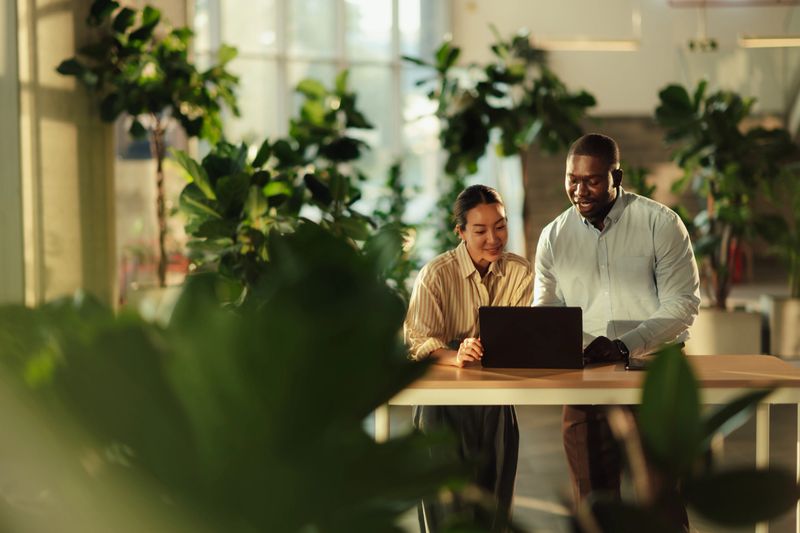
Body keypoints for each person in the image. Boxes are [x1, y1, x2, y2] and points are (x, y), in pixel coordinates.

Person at [533, 133, 701, 526]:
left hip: (655, 375)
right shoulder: (554, 236)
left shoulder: (661, 223)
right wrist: (579, 347)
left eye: (591, 180)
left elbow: (682, 304)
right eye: (572, 179)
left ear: (617, 176)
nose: (579, 190)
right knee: (593, 504)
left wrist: (624, 346)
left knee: (661, 496)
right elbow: (546, 310)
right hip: (584, 378)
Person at [404, 184, 532, 532]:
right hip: (440, 401)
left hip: (496, 398)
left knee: (494, 505)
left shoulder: (521, 273)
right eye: (480, 230)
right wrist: (454, 354)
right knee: (443, 505)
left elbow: (528, 337)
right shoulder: (436, 274)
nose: (493, 238)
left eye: (500, 226)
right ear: (460, 232)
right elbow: (417, 342)